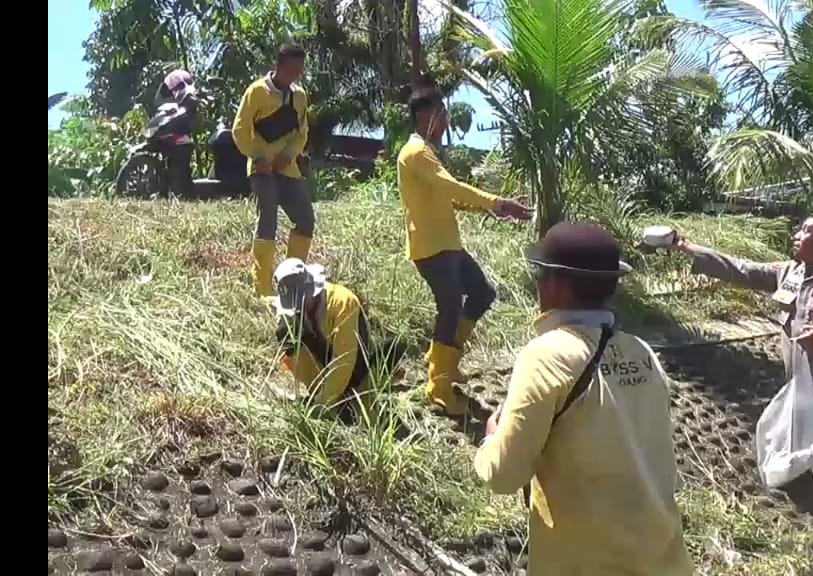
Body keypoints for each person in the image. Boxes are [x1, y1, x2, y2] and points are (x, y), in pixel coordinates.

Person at [474, 222, 693, 576]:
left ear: (555, 285)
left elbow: (503, 475)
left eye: (539, 276)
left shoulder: (546, 354)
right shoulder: (642, 352)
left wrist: (491, 438)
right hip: (665, 560)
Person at [668, 214, 813, 555]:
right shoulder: (790, 273)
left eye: (805, 231)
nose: (796, 235)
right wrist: (689, 248)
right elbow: (742, 269)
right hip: (800, 395)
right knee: (781, 465)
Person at [398, 86, 533, 415]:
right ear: (424, 116)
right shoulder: (417, 152)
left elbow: (450, 197)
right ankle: (438, 386)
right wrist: (498, 203)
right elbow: (451, 186)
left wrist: (492, 209)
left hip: (447, 244)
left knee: (482, 293)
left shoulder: (427, 152)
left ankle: (445, 356)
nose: (445, 118)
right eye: (440, 112)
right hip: (431, 246)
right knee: (448, 307)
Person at [234, 44, 313, 298]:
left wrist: (286, 157)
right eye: (291, 68)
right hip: (261, 170)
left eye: (299, 69)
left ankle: (291, 280)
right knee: (267, 221)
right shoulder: (257, 91)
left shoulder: (299, 96)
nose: (295, 74)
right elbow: (239, 130)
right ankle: (263, 288)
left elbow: (302, 134)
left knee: (305, 220)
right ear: (277, 66)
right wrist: (258, 157)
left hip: (287, 169)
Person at [271, 258, 370, 414]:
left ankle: (344, 396)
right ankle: (322, 394)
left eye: (302, 300)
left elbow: (344, 359)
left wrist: (323, 404)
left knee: (353, 409)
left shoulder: (343, 302)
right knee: (286, 332)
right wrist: (317, 394)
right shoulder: (292, 313)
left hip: (356, 364)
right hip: (323, 360)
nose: (298, 306)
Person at [154, 69, 201, 199]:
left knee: (181, 169)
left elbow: (191, 118)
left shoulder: (189, 95)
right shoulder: (169, 100)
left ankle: (186, 195)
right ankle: (169, 192)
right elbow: (160, 103)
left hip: (181, 135)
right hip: (173, 133)